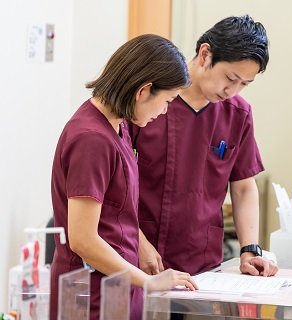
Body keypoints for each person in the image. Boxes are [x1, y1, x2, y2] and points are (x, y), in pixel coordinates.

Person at [50, 34, 198, 320]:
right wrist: (150, 282)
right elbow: (82, 240)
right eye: (167, 100)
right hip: (89, 296)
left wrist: (141, 245)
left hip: (116, 286)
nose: (165, 110)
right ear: (143, 91)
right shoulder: (91, 139)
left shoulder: (117, 125)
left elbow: (113, 207)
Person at [129, 15, 279, 278]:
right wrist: (138, 242)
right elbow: (114, 186)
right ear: (205, 54)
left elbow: (243, 187)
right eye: (230, 78)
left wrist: (250, 250)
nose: (233, 91)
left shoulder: (237, 114)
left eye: (244, 84)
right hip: (139, 255)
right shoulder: (150, 99)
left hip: (201, 263)